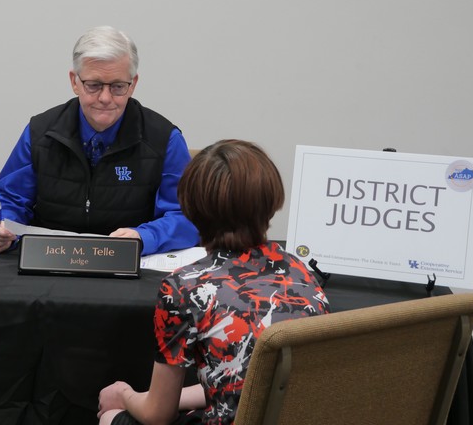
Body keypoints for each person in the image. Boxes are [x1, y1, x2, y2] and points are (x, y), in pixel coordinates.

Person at [97, 140, 331, 425]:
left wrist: (124, 394)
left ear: (192, 207)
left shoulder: (184, 287)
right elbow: (242, 376)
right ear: (271, 202)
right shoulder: (300, 271)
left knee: (112, 417)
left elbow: (157, 416)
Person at [0, 26, 198, 255]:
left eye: (117, 86)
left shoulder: (165, 139)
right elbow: (8, 197)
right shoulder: (40, 132)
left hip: (128, 263)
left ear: (132, 84)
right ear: (74, 82)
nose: (105, 98)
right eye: (93, 85)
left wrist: (144, 236)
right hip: (51, 261)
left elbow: (187, 217)